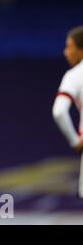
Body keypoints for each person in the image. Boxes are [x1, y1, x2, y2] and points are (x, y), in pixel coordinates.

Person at [53, 27, 83, 189]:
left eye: (69, 47)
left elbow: (59, 112)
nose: (66, 52)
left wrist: (75, 141)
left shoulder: (75, 75)